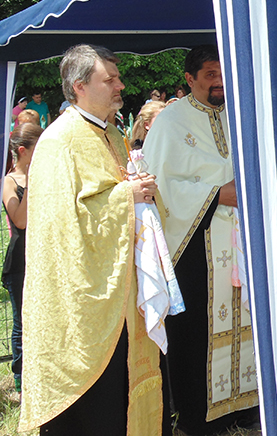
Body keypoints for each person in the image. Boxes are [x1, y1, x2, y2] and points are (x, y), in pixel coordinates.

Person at [19, 44, 165, 436]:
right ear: (80, 86)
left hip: (119, 282)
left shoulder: (112, 134)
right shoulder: (58, 141)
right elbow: (61, 225)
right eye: (110, 79)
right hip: (81, 296)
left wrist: (136, 189)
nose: (120, 85)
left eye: (117, 77)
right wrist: (127, 195)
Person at [144, 45, 258, 435]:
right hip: (194, 246)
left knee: (245, 320)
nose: (219, 83)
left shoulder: (238, 116)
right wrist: (214, 195)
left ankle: (243, 404)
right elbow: (160, 187)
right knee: (196, 333)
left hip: (239, 241)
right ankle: (198, 416)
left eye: (222, 74)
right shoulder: (170, 123)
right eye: (210, 75)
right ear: (190, 79)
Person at [2, 123, 43, 395]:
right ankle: (20, 378)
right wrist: (30, 181)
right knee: (21, 321)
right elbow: (20, 219)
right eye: (36, 149)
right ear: (22, 151)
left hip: (42, 255)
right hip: (20, 261)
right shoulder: (9, 182)